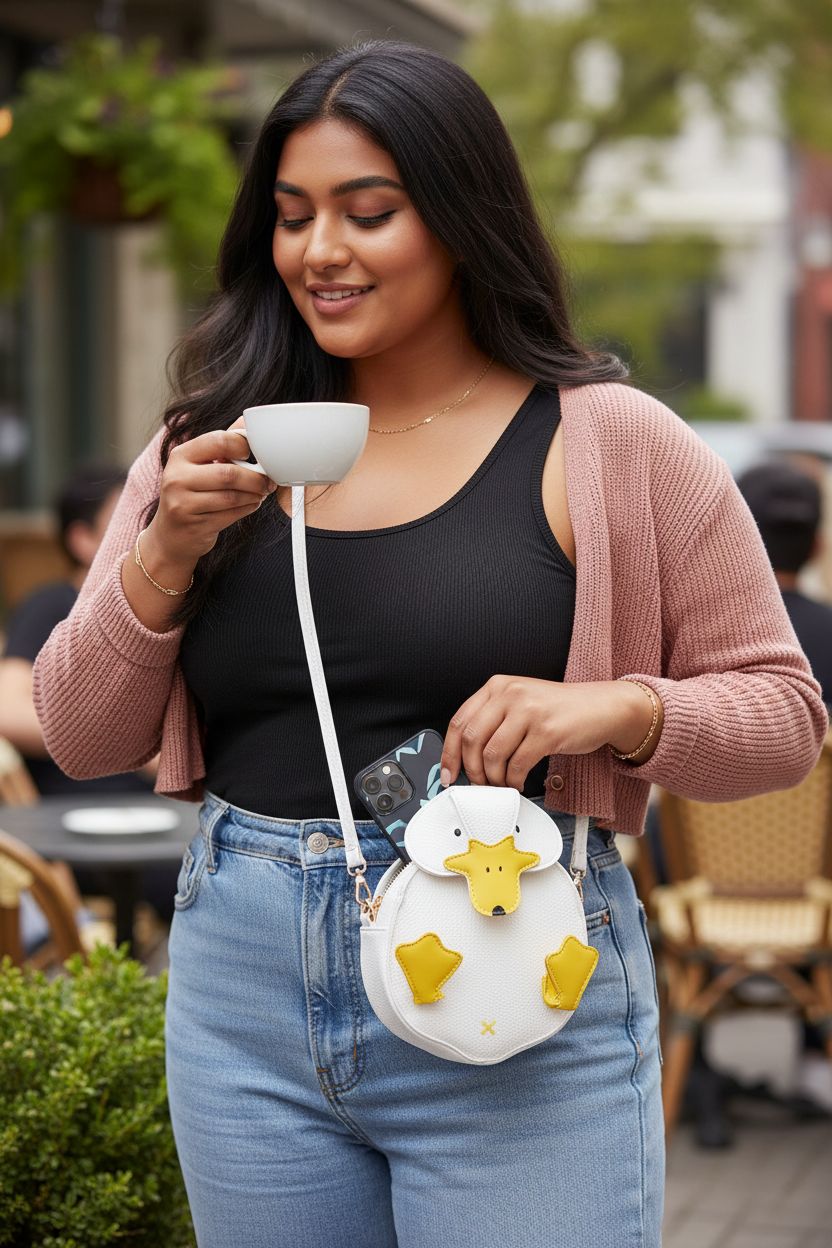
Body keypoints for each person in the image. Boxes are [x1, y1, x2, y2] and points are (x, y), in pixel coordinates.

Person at [32, 42, 827, 1248]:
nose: (320, 251)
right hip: (244, 988)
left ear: (461, 219)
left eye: (370, 212)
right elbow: (84, 733)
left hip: (515, 966)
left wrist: (617, 709)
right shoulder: (208, 445)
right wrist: (160, 559)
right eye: (293, 216)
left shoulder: (610, 442)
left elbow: (785, 720)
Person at [0, 464, 151, 796]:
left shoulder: (170, 606)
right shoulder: (51, 606)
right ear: (83, 540)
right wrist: (131, 742)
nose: (150, 532)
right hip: (71, 812)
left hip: (169, 812)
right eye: (130, 521)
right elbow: (7, 710)